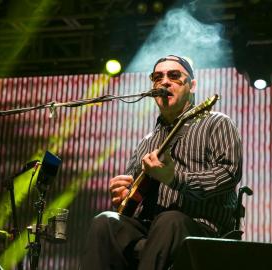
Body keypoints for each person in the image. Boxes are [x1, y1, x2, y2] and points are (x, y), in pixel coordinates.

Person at [80, 55, 242, 270]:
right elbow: (131, 202)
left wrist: (175, 179)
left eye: (174, 76)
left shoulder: (216, 123)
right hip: (151, 230)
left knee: (170, 220)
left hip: (202, 230)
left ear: (192, 85)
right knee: (105, 222)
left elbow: (229, 174)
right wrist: (123, 197)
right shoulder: (147, 142)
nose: (164, 81)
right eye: (157, 77)